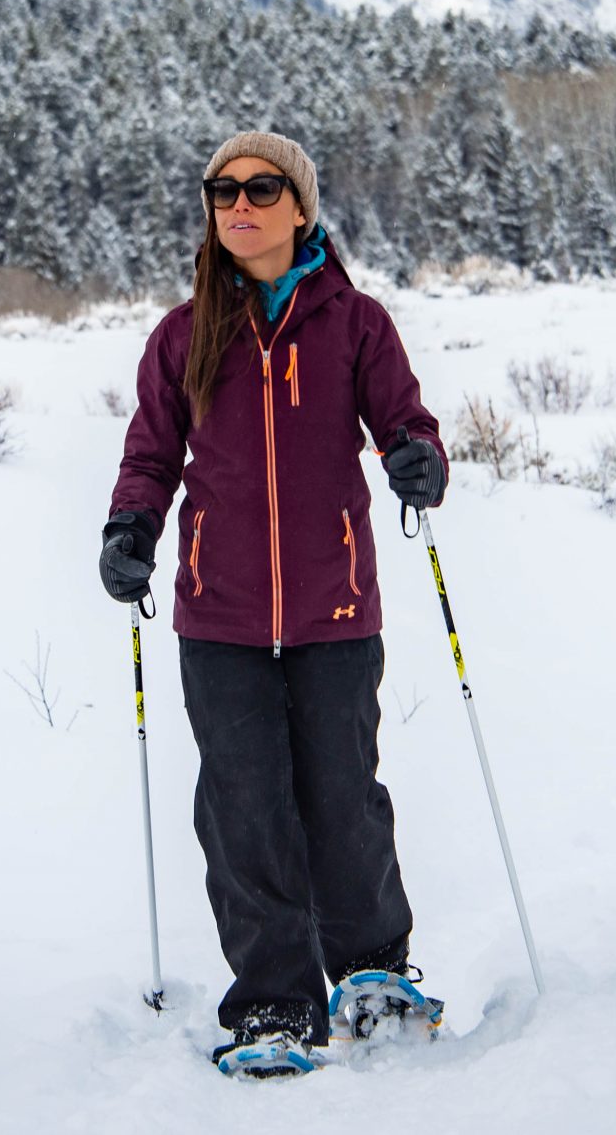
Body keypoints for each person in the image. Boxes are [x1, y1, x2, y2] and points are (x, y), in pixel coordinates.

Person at [98, 130, 451, 1079]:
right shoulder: (182, 335)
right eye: (222, 192)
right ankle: (272, 1005)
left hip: (336, 610)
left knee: (344, 800)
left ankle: (372, 973)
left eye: (260, 188)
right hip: (220, 618)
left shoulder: (357, 323)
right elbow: (151, 452)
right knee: (244, 811)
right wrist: (131, 528)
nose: (239, 205)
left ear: (302, 208)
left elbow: (405, 421)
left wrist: (421, 459)